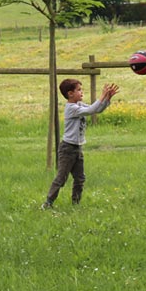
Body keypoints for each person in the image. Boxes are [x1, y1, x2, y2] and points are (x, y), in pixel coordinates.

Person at [41, 78, 119, 210]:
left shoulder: (80, 105)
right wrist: (101, 95)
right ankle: (48, 202)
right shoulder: (71, 108)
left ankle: (75, 204)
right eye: (79, 90)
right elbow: (90, 111)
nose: (82, 92)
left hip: (77, 148)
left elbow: (96, 110)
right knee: (61, 178)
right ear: (70, 93)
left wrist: (107, 99)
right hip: (67, 149)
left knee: (80, 178)